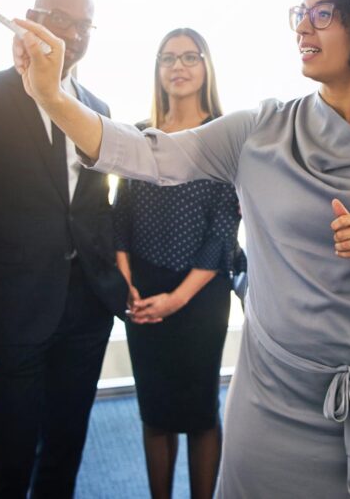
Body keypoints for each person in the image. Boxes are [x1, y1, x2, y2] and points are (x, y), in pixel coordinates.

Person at [12, 0, 350, 497]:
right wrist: (53, 99)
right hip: (272, 397)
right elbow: (145, 152)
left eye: (323, 14)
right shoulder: (258, 132)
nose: (303, 28)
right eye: (301, 13)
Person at [0, 0, 127, 499]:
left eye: (84, 25)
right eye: (61, 19)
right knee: (13, 449)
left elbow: (94, 203)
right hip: (17, 309)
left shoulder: (97, 106)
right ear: (31, 17)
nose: (73, 34)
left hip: (85, 304)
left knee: (66, 442)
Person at [113, 28, 244, 498]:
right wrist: (126, 283)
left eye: (190, 56)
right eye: (168, 57)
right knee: (155, 410)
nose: (178, 66)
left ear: (206, 67)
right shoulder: (139, 134)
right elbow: (121, 214)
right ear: (157, 68)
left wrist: (176, 300)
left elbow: (223, 233)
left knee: (200, 412)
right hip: (143, 290)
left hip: (201, 294)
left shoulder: (225, 136)